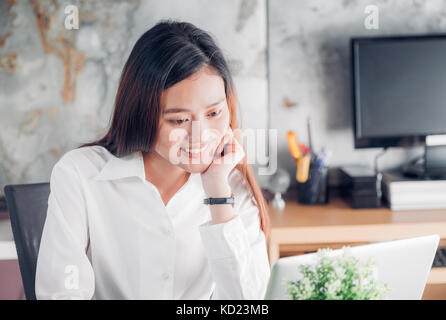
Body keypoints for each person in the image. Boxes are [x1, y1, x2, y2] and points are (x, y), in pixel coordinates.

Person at [35, 20, 271, 300]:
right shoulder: (79, 174)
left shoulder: (232, 184)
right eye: (179, 120)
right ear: (141, 114)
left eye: (213, 114)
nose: (200, 136)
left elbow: (248, 302)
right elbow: (61, 294)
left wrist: (219, 196)